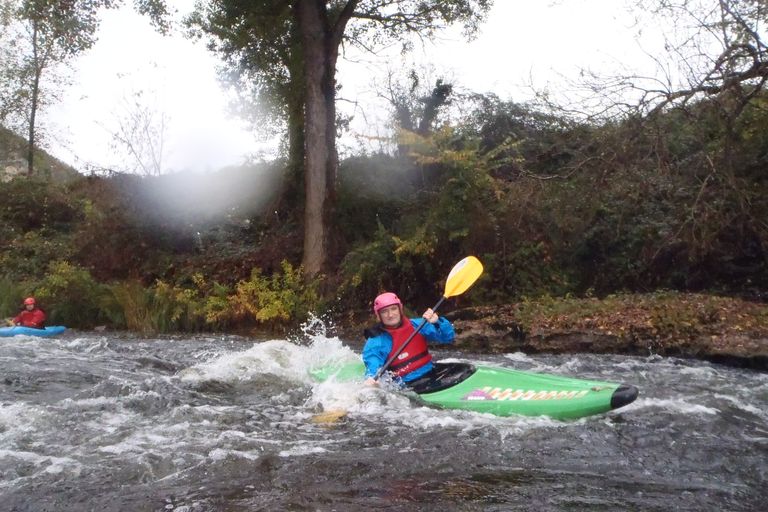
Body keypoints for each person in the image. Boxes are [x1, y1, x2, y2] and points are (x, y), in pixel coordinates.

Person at [362, 292, 455, 386]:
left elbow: (448, 337)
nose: (390, 315)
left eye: (393, 309)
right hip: (406, 384)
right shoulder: (376, 341)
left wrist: (437, 322)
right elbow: (373, 365)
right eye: (384, 311)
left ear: (400, 309)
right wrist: (371, 379)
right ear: (378, 315)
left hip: (430, 372)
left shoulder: (418, 325)